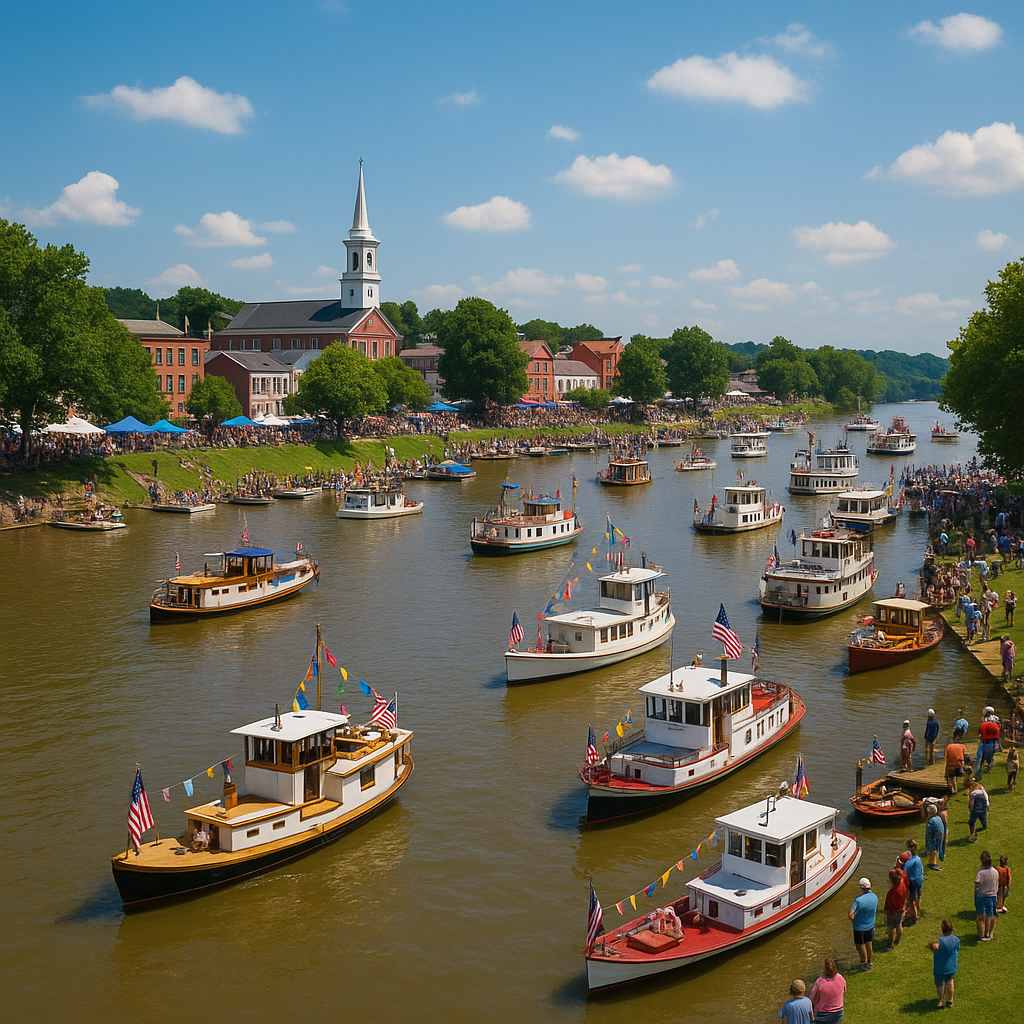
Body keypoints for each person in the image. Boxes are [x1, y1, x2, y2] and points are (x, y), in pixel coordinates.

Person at [927, 919, 959, 1009]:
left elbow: (935, 948)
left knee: (940, 984)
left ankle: (941, 1000)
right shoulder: (956, 939)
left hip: (940, 967)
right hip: (952, 966)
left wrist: (931, 946)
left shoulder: (941, 941)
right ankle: (950, 1000)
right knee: (950, 981)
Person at [849, 877, 878, 968]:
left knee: (860, 945)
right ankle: (870, 961)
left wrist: (852, 918)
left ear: (861, 887)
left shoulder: (858, 901)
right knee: (869, 943)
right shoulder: (875, 897)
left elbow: (851, 914)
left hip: (859, 927)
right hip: (870, 925)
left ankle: (863, 962)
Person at [809, 959, 845, 1024]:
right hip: (838, 1011)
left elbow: (811, 998)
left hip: (822, 1013)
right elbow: (844, 991)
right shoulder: (840, 978)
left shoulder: (819, 981)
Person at [975, 849, 1000, 940]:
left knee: (981, 916)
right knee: (992, 915)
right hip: (993, 895)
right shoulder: (995, 871)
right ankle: (990, 933)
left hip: (982, 896)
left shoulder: (981, 873)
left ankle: (982, 935)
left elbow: (977, 884)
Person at [883, 867, 907, 949]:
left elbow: (889, 902)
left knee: (890, 928)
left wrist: (886, 910)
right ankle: (898, 940)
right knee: (899, 925)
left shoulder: (892, 891)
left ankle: (890, 943)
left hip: (892, 911)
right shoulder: (903, 884)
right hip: (901, 909)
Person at [975, 709, 1001, 774]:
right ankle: (989, 766)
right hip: (990, 742)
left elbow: (980, 734)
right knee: (989, 756)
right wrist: (996, 743)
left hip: (984, 741)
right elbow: (996, 737)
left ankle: (979, 767)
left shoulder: (983, 725)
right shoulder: (995, 726)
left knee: (980, 755)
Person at [904, 840, 924, 924]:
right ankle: (918, 910)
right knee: (918, 896)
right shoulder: (918, 858)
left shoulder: (910, 861)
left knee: (911, 899)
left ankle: (915, 916)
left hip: (913, 881)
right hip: (920, 879)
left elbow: (904, 871)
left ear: (908, 848)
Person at [925, 802, 944, 870]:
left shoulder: (931, 821)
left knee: (933, 848)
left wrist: (927, 842)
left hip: (935, 835)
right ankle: (934, 861)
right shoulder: (938, 818)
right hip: (940, 834)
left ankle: (934, 864)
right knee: (937, 847)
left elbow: (929, 832)